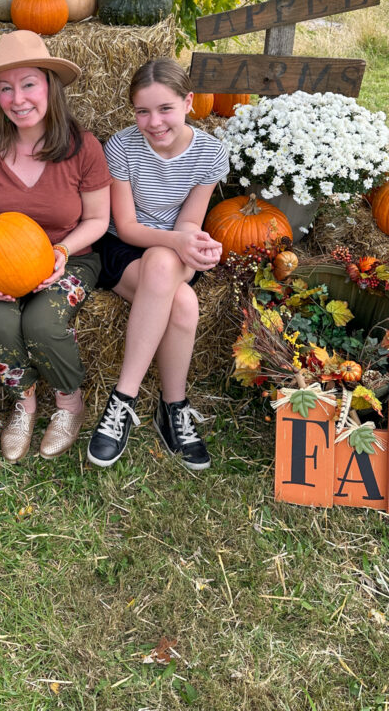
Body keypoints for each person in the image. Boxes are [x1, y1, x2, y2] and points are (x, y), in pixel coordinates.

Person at [0, 30, 111, 462]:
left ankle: (69, 402)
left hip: (70, 257)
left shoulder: (83, 147)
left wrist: (61, 253)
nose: (17, 98)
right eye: (6, 88)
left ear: (49, 86)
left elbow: (98, 220)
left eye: (28, 84)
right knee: (0, 324)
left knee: (42, 324)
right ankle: (24, 404)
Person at [86, 59, 229, 471]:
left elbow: (189, 220)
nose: (154, 121)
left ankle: (122, 402)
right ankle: (171, 407)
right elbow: (127, 227)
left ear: (188, 102)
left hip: (176, 249)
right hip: (125, 250)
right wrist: (177, 241)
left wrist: (192, 243)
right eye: (142, 111)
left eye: (165, 108)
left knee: (166, 264)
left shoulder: (210, 153)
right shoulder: (122, 147)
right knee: (182, 303)